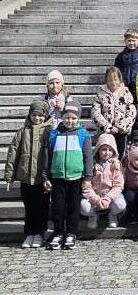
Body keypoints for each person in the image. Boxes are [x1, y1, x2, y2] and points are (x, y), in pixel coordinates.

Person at [41, 99, 93, 250]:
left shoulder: (83, 134)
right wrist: (45, 176)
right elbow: (47, 156)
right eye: (67, 117)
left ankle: (71, 232)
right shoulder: (54, 134)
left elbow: (88, 157)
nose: (70, 120)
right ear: (62, 117)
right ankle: (58, 232)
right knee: (58, 207)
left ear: (78, 119)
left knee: (73, 207)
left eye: (73, 118)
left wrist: (88, 178)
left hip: (76, 177)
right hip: (57, 177)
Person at [5, 100, 52, 249]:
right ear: (29, 115)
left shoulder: (50, 131)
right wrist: (9, 176)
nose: (37, 118)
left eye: (40, 115)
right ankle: (29, 233)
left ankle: (39, 233)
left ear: (45, 116)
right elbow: (13, 153)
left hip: (42, 178)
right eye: (34, 115)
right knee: (29, 206)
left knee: (42, 207)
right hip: (26, 176)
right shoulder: (22, 131)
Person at [81, 133, 126, 230]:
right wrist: (95, 198)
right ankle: (93, 216)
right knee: (83, 206)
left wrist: (107, 198)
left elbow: (118, 185)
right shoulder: (91, 164)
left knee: (120, 204)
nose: (107, 153)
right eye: (104, 149)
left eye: (110, 150)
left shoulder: (116, 164)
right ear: (98, 150)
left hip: (110, 195)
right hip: (95, 195)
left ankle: (112, 215)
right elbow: (86, 185)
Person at [91, 66, 137, 158]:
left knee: (120, 156)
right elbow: (95, 112)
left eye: (115, 79)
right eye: (110, 79)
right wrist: (108, 126)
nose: (113, 82)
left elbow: (131, 112)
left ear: (120, 79)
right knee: (106, 156)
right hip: (106, 131)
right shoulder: (101, 93)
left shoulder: (126, 93)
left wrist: (121, 126)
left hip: (121, 132)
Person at [114, 28, 138, 140]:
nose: (131, 43)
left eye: (134, 40)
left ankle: (136, 138)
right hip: (124, 89)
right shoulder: (121, 56)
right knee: (124, 112)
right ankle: (125, 137)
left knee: (137, 115)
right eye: (129, 41)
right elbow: (116, 73)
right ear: (125, 41)